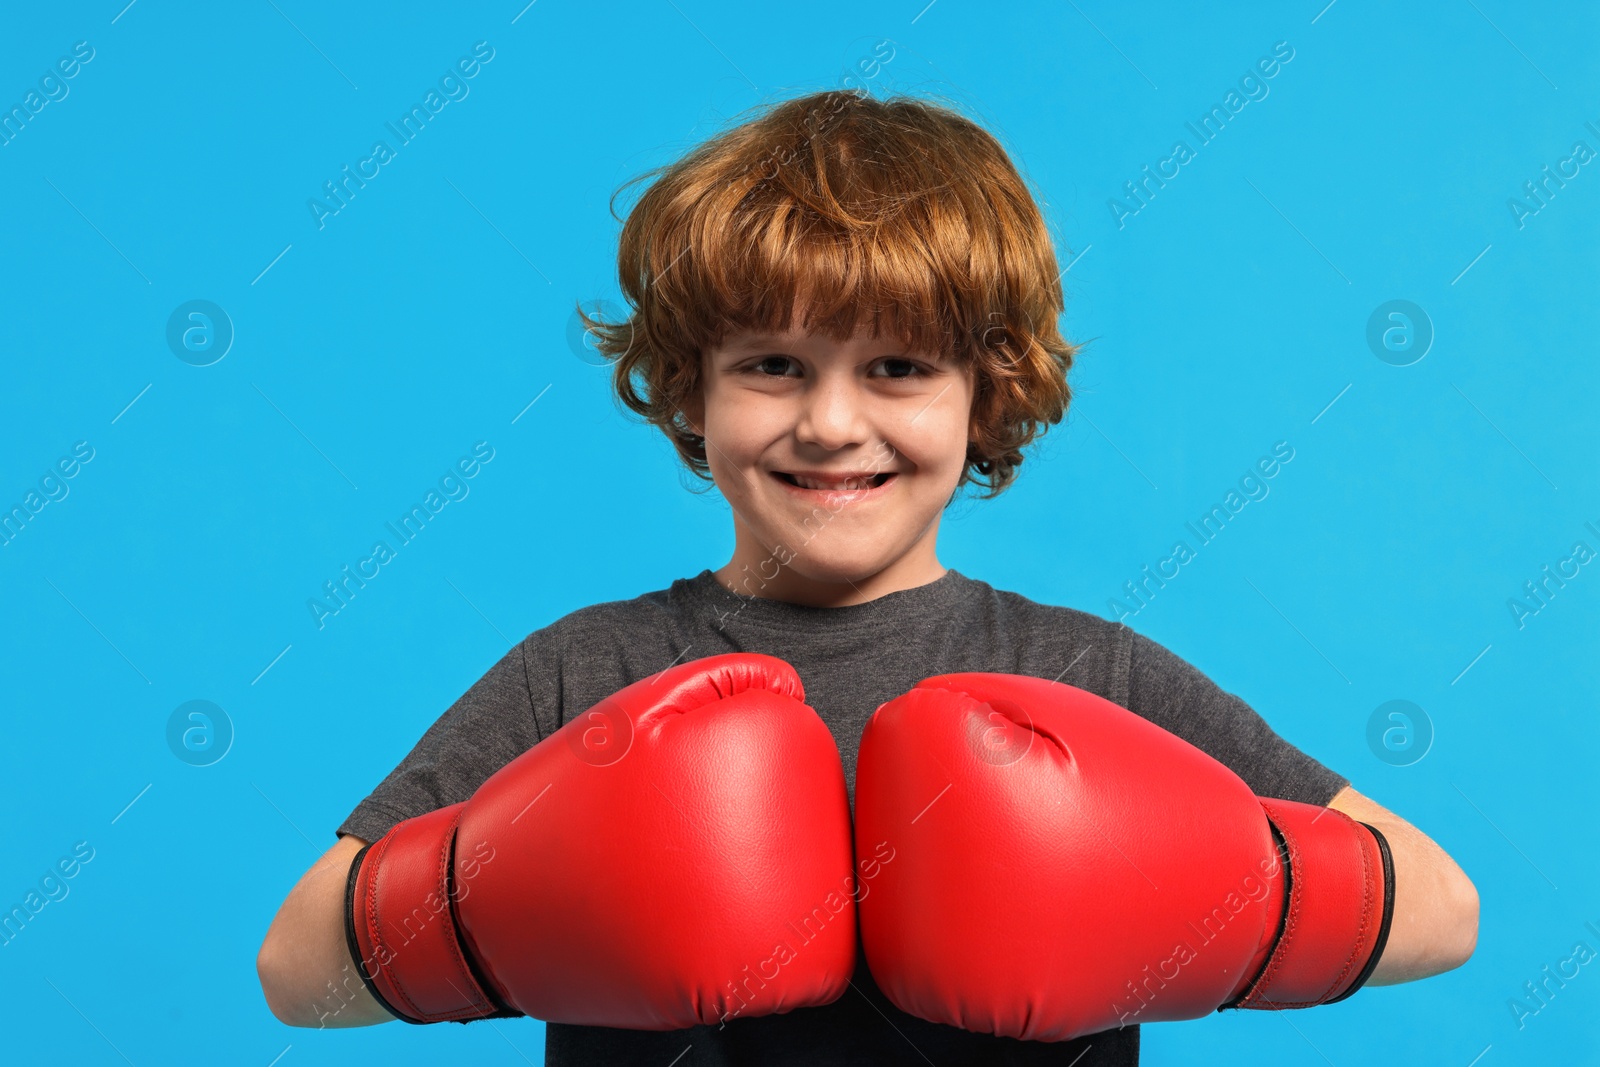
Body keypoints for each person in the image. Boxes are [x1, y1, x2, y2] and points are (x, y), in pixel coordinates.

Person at [255, 88, 1478, 1064]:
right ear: (690, 387)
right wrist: (490, 908)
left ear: (985, 394)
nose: (833, 424)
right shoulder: (589, 669)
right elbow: (295, 970)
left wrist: (1221, 903)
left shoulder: (1084, 670)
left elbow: (1439, 906)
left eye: (896, 368)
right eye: (774, 365)